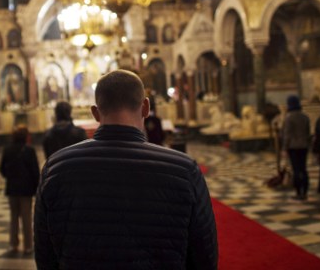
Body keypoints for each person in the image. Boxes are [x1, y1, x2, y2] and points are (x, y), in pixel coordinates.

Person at [34, 70, 218, 269]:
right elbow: (204, 257)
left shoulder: (55, 168)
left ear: (95, 113)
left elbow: (45, 257)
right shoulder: (185, 170)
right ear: (145, 107)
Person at [0, 125, 40, 255]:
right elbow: (35, 171)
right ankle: (28, 245)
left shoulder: (7, 149)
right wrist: (36, 186)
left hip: (12, 188)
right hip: (26, 189)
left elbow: (1, 168)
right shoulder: (29, 150)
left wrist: (9, 177)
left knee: (13, 217)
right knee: (27, 218)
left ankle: (13, 244)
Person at [282, 95, 311, 200]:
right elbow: (308, 132)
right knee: (303, 169)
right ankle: (305, 191)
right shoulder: (305, 116)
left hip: (293, 147)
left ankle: (299, 193)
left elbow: (287, 135)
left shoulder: (289, 118)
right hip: (304, 146)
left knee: (296, 170)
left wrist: (284, 148)